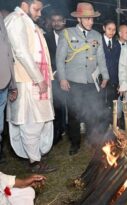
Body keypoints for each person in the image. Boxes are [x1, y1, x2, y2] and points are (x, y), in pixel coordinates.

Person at [5, 0, 56, 173]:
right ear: (24, 4)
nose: (39, 13)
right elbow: (21, 52)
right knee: (31, 122)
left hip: (38, 79)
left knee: (41, 119)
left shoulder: (27, 22)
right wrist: (38, 78)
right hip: (28, 81)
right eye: (36, 9)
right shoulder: (15, 19)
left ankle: (37, 154)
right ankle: (34, 161)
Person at [56, 2, 110, 155]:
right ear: (79, 19)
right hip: (73, 81)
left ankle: (92, 140)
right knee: (74, 114)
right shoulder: (67, 34)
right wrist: (62, 79)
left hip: (91, 82)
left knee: (92, 113)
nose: (91, 22)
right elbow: (60, 59)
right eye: (87, 19)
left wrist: (105, 76)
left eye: (92, 19)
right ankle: (74, 143)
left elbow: (101, 59)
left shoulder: (96, 35)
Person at [44, 10, 66, 145]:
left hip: (70, 75)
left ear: (64, 21)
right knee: (57, 105)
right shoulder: (45, 37)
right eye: (54, 20)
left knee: (72, 105)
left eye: (59, 20)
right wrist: (55, 72)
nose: (57, 23)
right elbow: (45, 58)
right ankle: (57, 132)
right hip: (53, 77)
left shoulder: (71, 35)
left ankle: (69, 129)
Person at [0, 13, 17, 163]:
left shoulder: (2, 25)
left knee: (0, 125)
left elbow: (8, 55)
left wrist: (13, 85)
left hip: (4, 83)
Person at [102, 20, 121, 109]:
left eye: (114, 30)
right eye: (109, 29)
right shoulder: (98, 42)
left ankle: (111, 122)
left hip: (113, 80)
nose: (112, 32)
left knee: (112, 105)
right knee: (100, 103)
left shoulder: (117, 44)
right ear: (104, 28)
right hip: (101, 79)